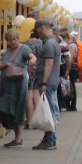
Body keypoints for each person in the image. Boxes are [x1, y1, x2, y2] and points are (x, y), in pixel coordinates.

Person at [0, 28, 33, 147]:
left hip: (19, 83)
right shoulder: (6, 52)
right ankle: (16, 137)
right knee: (9, 108)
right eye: (10, 40)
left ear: (18, 38)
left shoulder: (23, 48)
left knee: (19, 107)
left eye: (14, 39)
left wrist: (32, 61)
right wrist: (6, 64)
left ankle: (18, 139)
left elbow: (32, 56)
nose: (13, 42)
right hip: (7, 84)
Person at [30, 19, 61, 151]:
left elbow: (49, 65)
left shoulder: (48, 44)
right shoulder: (53, 42)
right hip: (51, 81)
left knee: (49, 112)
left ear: (42, 28)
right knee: (51, 110)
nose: (38, 34)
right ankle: (49, 138)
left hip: (48, 82)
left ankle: (50, 139)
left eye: (37, 31)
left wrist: (43, 82)